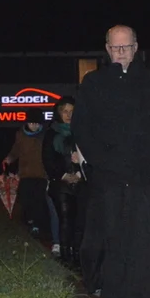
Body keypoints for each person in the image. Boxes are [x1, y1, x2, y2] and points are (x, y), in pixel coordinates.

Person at [72, 25, 150, 298]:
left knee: (145, 237)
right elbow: (81, 128)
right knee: (114, 236)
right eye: (115, 48)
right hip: (110, 174)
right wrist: (101, 161)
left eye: (126, 47)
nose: (121, 53)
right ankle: (116, 295)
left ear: (135, 48)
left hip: (144, 172)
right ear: (107, 49)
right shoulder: (93, 83)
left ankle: (146, 295)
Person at [42, 98, 83, 265]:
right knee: (65, 218)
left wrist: (80, 172)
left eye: (72, 111)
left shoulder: (80, 131)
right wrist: (64, 175)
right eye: (65, 111)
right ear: (58, 112)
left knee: (80, 220)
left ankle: (78, 253)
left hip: (81, 181)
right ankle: (66, 255)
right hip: (60, 183)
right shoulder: (52, 134)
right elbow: (48, 160)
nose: (69, 115)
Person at [5, 108, 53, 243]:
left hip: (41, 175)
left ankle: (38, 226)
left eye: (37, 123)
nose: (34, 126)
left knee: (38, 201)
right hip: (25, 174)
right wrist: (9, 158)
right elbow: (16, 150)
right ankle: (29, 222)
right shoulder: (20, 135)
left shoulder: (44, 136)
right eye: (32, 123)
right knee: (26, 200)